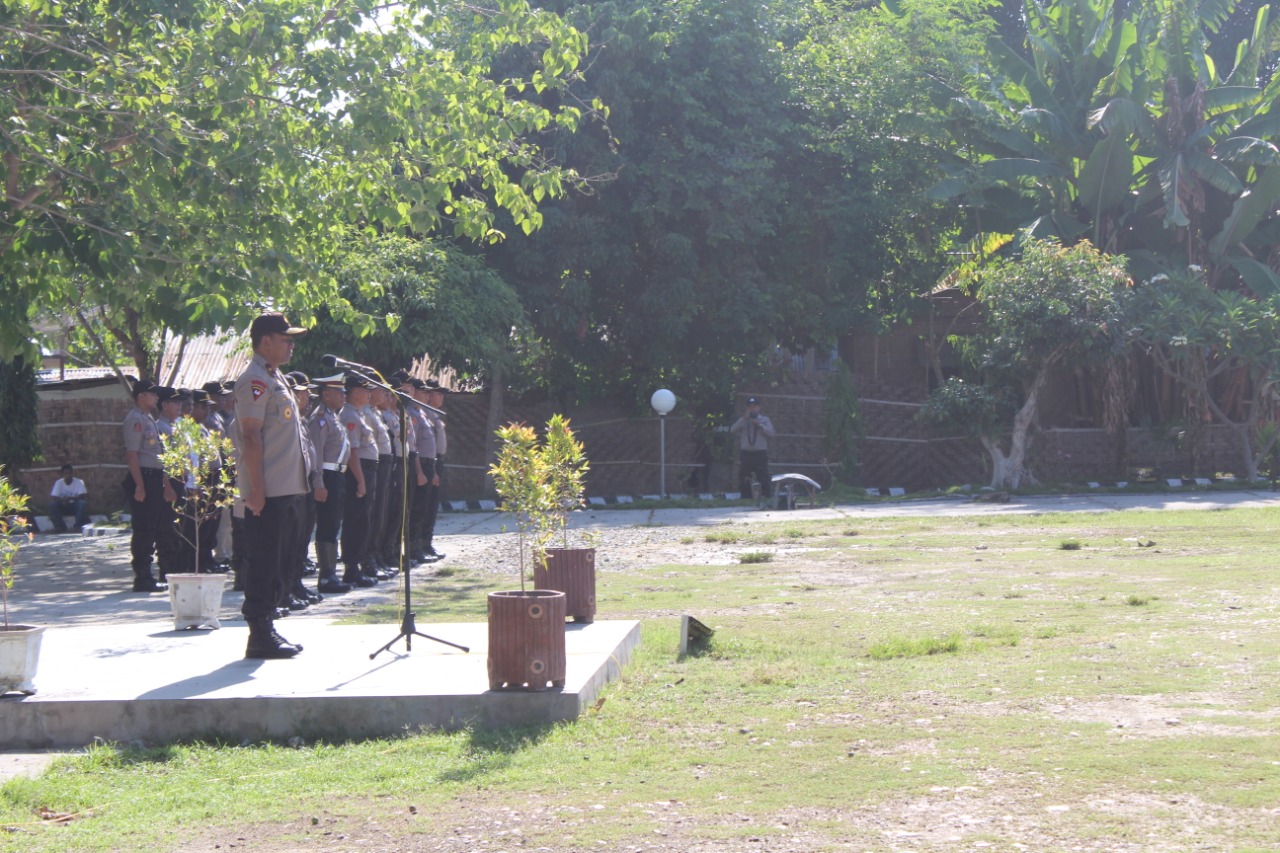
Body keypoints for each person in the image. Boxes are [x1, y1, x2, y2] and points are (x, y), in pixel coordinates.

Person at [233, 312, 312, 659]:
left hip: (286, 487)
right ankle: (259, 632)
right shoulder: (255, 380)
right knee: (264, 560)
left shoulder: (274, 377)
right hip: (268, 491)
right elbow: (251, 436)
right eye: (285, 338)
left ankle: (268, 626)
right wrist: (257, 490)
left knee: (279, 559)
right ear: (266, 341)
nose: (291, 343)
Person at [122, 378, 172, 592]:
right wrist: (139, 485)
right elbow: (132, 454)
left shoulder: (148, 418)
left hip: (154, 477)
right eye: (152, 394)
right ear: (141, 396)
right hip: (143, 477)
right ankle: (142, 576)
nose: (156, 398)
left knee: (152, 527)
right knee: (144, 529)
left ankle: (149, 575)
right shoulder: (135, 419)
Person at [307, 373, 353, 593]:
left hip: (337, 475)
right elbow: (315, 451)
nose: (344, 396)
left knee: (334, 523)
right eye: (339, 392)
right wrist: (318, 482)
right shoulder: (320, 419)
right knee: (326, 525)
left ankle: (331, 573)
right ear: (326, 394)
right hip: (326, 475)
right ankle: (326, 576)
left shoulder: (334, 417)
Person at [338, 372, 379, 586]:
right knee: (356, 520)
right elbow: (353, 452)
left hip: (367, 469)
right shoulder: (350, 416)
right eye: (365, 391)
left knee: (364, 520)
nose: (369, 394)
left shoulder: (359, 414)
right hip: (358, 471)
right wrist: (361, 481)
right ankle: (351, 568)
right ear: (354, 393)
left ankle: (358, 564)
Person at [730, 396, 776, 499]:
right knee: (745, 476)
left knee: (763, 476)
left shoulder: (764, 419)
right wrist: (743, 420)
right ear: (747, 408)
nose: (752, 409)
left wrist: (760, 425)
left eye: (754, 406)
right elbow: (732, 430)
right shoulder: (743, 420)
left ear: (758, 408)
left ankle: (766, 497)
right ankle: (745, 498)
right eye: (750, 406)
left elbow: (772, 433)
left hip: (760, 453)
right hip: (746, 454)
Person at [47, 463, 88, 533]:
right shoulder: (58, 483)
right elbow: (54, 497)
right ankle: (60, 526)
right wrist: (62, 500)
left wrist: (70, 498)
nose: (68, 475)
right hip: (63, 506)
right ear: (62, 474)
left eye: (69, 473)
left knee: (82, 503)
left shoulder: (79, 482)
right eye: (65, 474)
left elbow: (82, 496)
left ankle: (77, 526)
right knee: (52, 504)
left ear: (72, 473)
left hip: (74, 506)